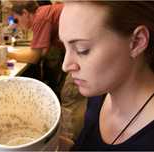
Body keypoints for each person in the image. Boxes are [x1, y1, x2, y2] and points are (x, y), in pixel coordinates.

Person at [59, 1, 154, 151]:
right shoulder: (100, 94)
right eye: (65, 47)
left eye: (82, 49)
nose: (65, 65)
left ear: (137, 42)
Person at [9, 1, 66, 98]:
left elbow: (34, 56)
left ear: (25, 13)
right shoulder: (42, 13)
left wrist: (7, 54)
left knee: (69, 94)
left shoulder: (40, 18)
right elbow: (40, 51)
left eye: (16, 20)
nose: (17, 25)